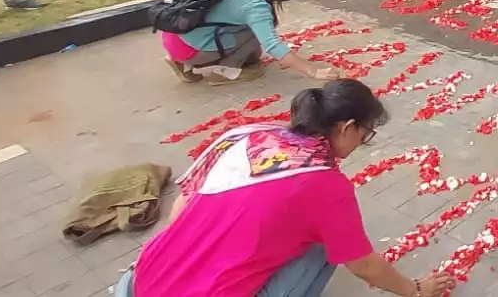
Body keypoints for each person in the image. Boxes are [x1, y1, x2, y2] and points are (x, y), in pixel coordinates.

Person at [117, 79, 456, 297]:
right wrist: (414, 290)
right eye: (366, 135)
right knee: (328, 244)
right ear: (347, 127)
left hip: (137, 284)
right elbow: (362, 264)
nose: (362, 143)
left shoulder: (246, 135)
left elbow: (182, 208)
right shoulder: (325, 184)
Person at [161, 0, 342, 85]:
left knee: (253, 54)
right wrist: (313, 70)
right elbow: (272, 45)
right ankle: (224, 73)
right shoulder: (255, 6)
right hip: (189, 47)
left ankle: (179, 61)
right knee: (254, 34)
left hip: (174, 35)